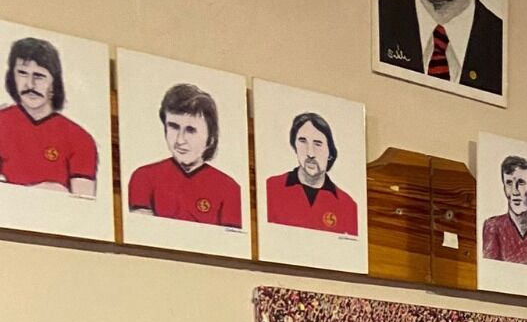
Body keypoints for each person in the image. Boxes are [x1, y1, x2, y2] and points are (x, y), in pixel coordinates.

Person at [127, 83, 242, 226]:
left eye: (191, 130)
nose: (180, 140)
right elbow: (142, 230)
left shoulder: (229, 189)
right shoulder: (144, 176)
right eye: (173, 127)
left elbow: (231, 238)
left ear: (211, 138)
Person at [0, 36, 98, 194]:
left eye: (39, 76)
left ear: (54, 82)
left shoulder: (79, 138)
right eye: (22, 73)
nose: (30, 84)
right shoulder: (2, 122)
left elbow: (83, 203)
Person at [265, 111, 358, 235]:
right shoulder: (270, 188)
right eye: (303, 141)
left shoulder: (347, 205)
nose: (310, 153)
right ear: (294, 146)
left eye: (318, 144)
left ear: (330, 152)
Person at [481, 154, 527, 269]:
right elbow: (491, 271)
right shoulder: (493, 227)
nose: (515, 191)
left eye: (521, 183)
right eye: (509, 183)